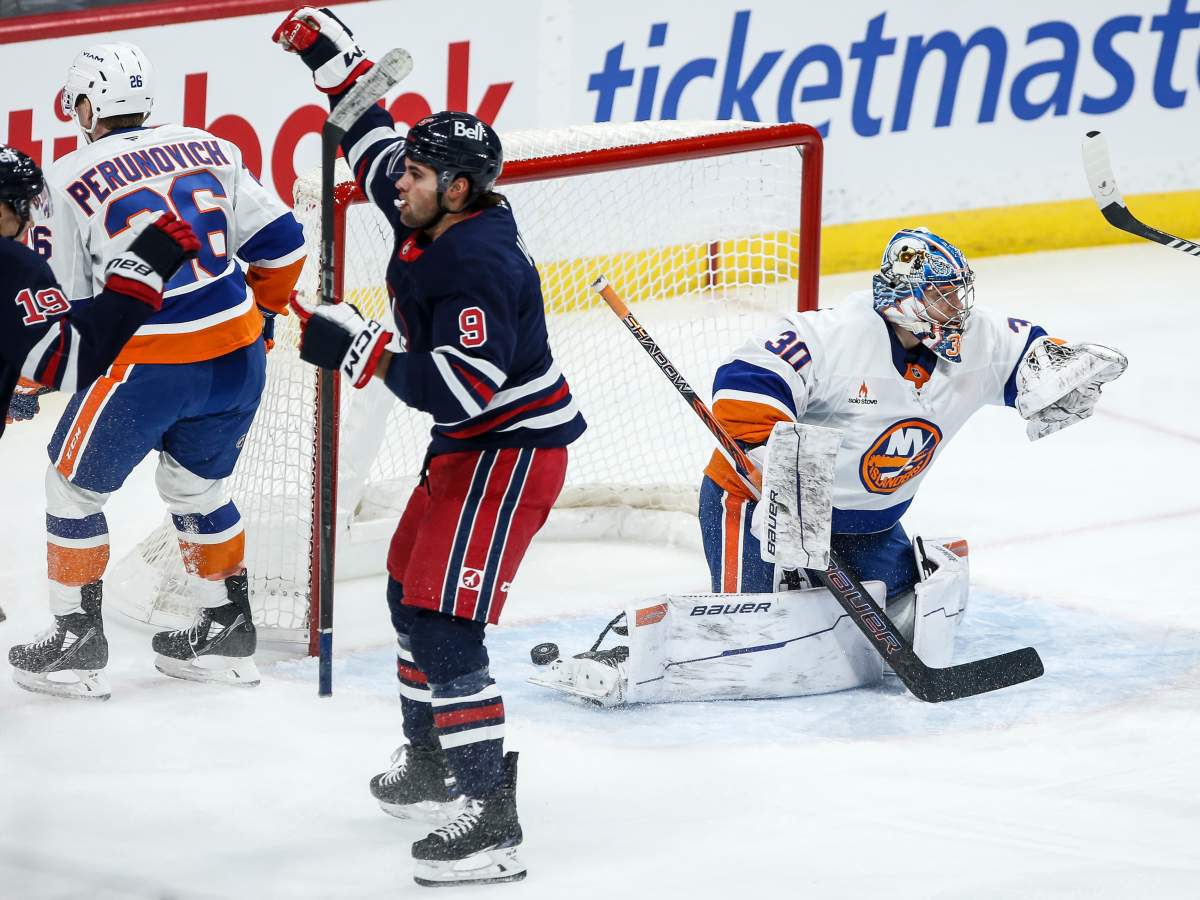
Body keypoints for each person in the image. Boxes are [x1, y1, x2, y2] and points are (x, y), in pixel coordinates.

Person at [528, 227, 1127, 708]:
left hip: (867, 519)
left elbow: (1033, 355)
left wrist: (1055, 378)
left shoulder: (977, 336)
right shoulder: (832, 336)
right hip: (758, 504)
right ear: (902, 299)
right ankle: (621, 651)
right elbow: (745, 384)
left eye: (958, 294)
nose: (957, 310)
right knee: (750, 640)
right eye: (941, 296)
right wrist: (781, 476)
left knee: (903, 615)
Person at [275, 6, 585, 888]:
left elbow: (462, 387)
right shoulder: (433, 204)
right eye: (406, 168)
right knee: (412, 596)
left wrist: (360, 349)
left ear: (458, 189)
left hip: (510, 450)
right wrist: (331, 60)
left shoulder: (476, 264)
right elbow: (369, 127)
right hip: (466, 447)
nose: (395, 181)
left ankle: (490, 815)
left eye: (416, 173)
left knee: (448, 623)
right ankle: (434, 763)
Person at [7, 42, 307, 701]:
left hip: (147, 365)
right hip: (237, 354)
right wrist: (269, 316)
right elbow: (285, 243)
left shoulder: (68, 177)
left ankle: (74, 644)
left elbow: (71, 309)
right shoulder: (211, 146)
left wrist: (25, 383)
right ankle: (228, 632)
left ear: (87, 105)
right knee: (199, 491)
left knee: (71, 489)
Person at [0, 145, 199, 631]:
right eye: (21, 209)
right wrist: (136, 280)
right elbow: (71, 361)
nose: (27, 224)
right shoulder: (13, 265)